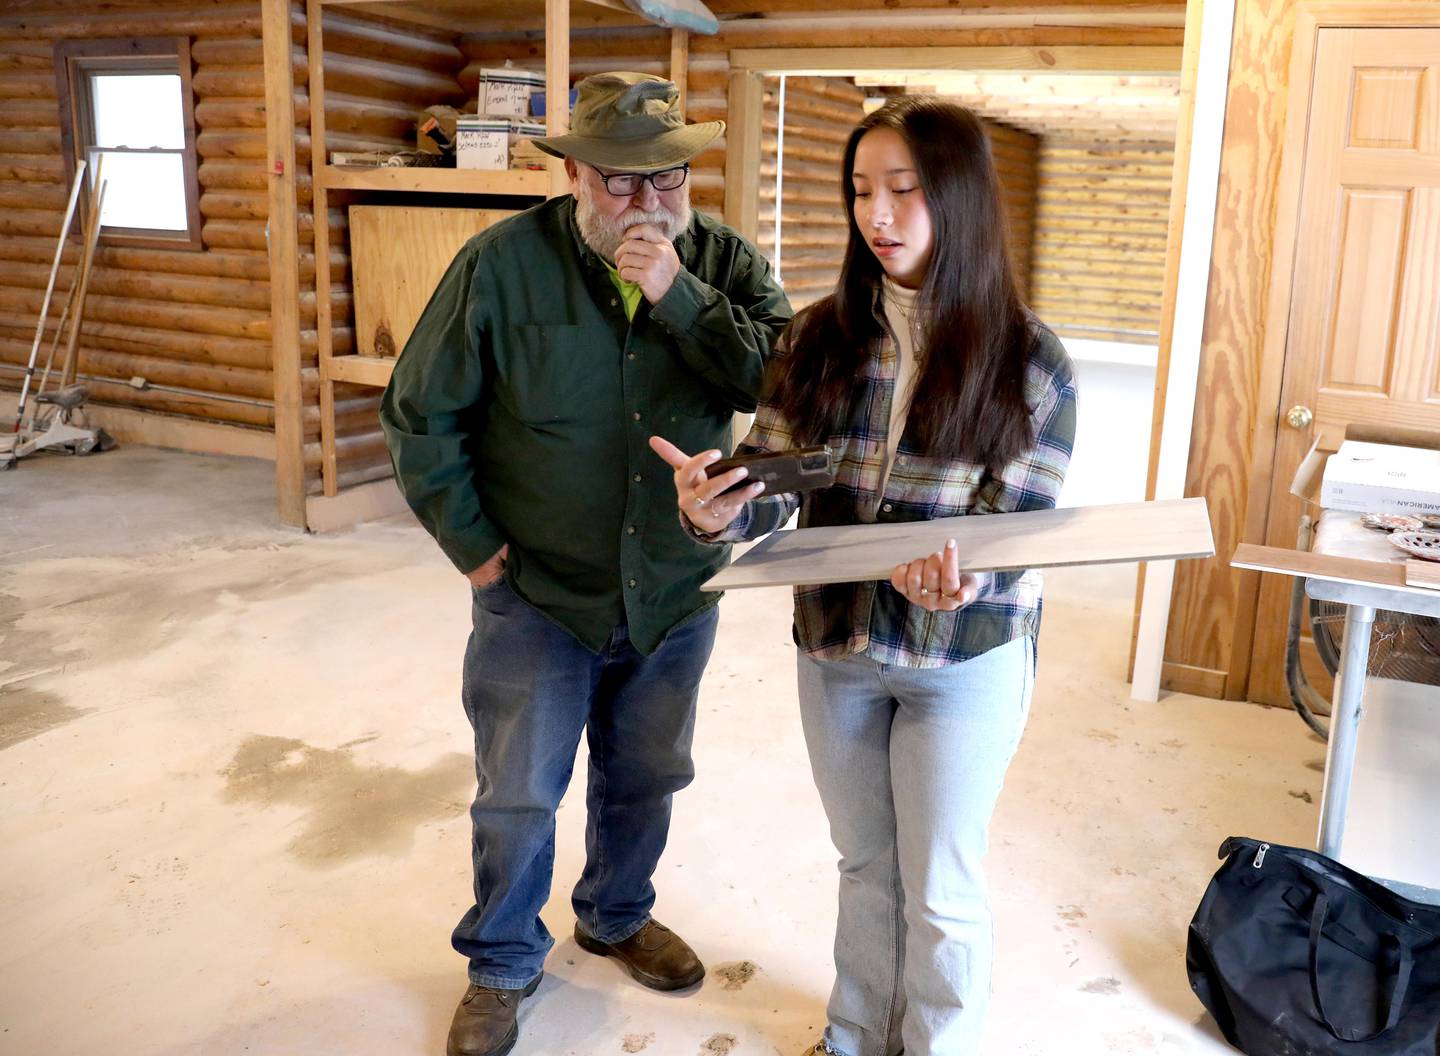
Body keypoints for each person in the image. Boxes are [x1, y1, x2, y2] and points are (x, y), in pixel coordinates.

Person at [651, 97, 1078, 1056]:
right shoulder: (815, 340)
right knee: (865, 865)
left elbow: (1021, 535)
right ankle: (851, 1036)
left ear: (958, 199)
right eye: (860, 192)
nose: (876, 216)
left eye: (903, 191)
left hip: (960, 661)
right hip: (836, 646)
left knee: (940, 883)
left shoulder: (1031, 361)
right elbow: (773, 478)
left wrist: (964, 583)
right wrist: (713, 505)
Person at [380, 71, 792, 1056]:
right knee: (519, 788)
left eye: (669, 179)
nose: (648, 203)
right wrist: (479, 557)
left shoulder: (724, 264)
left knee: (646, 773)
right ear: (570, 173)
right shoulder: (499, 267)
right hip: (538, 592)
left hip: (676, 584)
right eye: (620, 182)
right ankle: (503, 960)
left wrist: (679, 295)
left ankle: (613, 917)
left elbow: (785, 381)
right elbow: (421, 415)